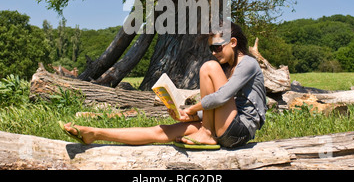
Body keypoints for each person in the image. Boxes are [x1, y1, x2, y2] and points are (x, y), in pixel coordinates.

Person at [61, 22, 266, 148]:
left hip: (238, 132)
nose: (213, 52)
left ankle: (206, 134)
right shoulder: (229, 68)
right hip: (223, 128)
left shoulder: (248, 63)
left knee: (208, 67)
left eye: (217, 47)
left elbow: (221, 98)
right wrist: (190, 115)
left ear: (232, 42)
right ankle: (94, 134)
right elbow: (220, 106)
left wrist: (193, 108)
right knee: (161, 131)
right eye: (210, 48)